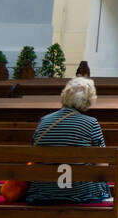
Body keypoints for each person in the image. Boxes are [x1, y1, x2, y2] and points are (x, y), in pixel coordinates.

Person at [26, 77, 111, 205]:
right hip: (82, 194)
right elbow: (102, 165)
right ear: (88, 100)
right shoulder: (91, 123)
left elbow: (35, 158)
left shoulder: (44, 121)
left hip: (43, 192)